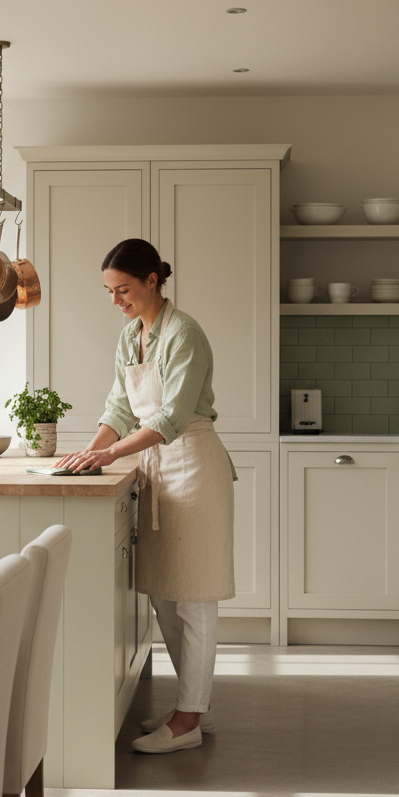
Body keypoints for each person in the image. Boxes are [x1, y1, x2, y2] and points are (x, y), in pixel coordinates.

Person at [55, 238, 236, 754]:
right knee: (163, 595)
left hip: (193, 465)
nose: (116, 300)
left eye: (123, 290)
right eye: (109, 291)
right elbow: (119, 407)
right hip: (156, 468)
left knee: (193, 597)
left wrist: (112, 455)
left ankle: (188, 720)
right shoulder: (130, 335)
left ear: (152, 280)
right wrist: (87, 453)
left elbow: (171, 417)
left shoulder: (184, 334)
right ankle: (192, 705)